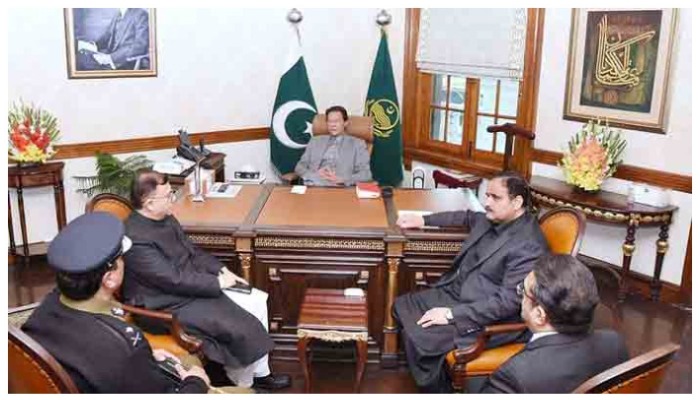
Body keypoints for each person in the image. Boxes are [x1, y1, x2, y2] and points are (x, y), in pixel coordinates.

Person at [122, 170, 291, 391]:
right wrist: (217, 284)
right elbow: (172, 280)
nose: (173, 198)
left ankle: (260, 375)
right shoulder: (136, 237)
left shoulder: (166, 217)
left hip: (190, 287)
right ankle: (244, 386)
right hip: (165, 303)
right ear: (149, 202)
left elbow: (192, 252)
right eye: (169, 195)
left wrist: (222, 271)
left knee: (257, 300)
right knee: (238, 325)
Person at [393, 171, 549, 392]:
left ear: (517, 202)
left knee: (420, 336)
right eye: (487, 196)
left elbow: (507, 303)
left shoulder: (529, 245)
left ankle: (439, 389)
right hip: (457, 293)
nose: (487, 203)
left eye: (495, 197)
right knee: (401, 305)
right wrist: (423, 219)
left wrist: (449, 315)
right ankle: (430, 370)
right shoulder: (495, 217)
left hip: (484, 316)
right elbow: (465, 217)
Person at [21, 212, 212, 393]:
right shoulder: (125, 346)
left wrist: (143, 362)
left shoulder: (45, 309)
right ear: (110, 278)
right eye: (122, 258)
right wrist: (196, 382)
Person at [480, 254, 630, 393]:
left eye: (522, 291)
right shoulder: (615, 343)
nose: (521, 297)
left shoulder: (512, 376)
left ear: (539, 315)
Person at [294, 105, 372, 186]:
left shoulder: (358, 144)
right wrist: (314, 174)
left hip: (339, 187)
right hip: (313, 185)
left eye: (336, 121)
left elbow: (366, 174)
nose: (333, 125)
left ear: (345, 123)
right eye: (330, 121)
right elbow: (299, 167)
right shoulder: (315, 141)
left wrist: (342, 179)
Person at [76, 8, 149, 71]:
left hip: (123, 63)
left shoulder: (141, 15)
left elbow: (140, 46)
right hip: (108, 59)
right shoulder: (118, 14)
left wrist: (111, 58)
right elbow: (107, 36)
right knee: (81, 60)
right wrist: (92, 45)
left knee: (84, 67)